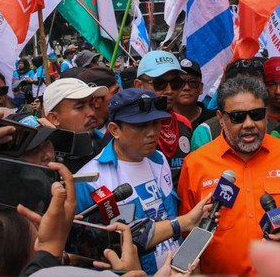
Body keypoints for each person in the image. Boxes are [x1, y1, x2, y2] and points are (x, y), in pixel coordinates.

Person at [178, 76, 280, 276]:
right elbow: (189, 234)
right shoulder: (195, 164)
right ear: (220, 118)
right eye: (238, 117)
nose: (249, 124)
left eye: (256, 115)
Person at [75, 89, 206, 275]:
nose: (152, 132)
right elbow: (90, 252)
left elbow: (168, 217)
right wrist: (184, 222)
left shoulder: (159, 160)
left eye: (156, 123)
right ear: (115, 130)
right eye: (140, 125)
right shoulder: (90, 180)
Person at [134, 50, 192, 186]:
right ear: (139, 85)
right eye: (159, 83)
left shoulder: (184, 123)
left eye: (176, 83)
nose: (169, 90)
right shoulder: (125, 129)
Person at [173, 58, 215, 127]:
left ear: (201, 88)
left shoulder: (214, 120)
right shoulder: (162, 120)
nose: (186, 88)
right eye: (179, 82)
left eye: (193, 82)